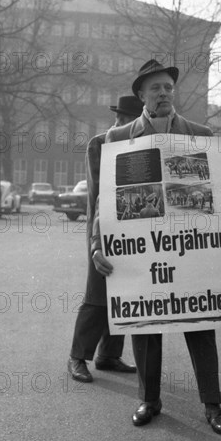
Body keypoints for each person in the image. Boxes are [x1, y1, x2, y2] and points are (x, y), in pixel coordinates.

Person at [94, 59, 221, 436]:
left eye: (168, 87)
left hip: (188, 251)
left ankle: (213, 404)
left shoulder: (199, 134)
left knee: (200, 322)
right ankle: (149, 399)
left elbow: (215, 196)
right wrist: (97, 244)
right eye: (156, 88)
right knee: (145, 323)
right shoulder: (119, 138)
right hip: (140, 252)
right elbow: (104, 201)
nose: (164, 94)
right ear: (141, 94)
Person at [67, 96, 144, 383]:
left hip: (133, 232)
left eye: (125, 119)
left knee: (123, 292)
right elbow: (100, 192)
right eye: (119, 119)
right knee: (98, 294)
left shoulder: (142, 142)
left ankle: (108, 355)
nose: (119, 124)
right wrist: (97, 240)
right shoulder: (100, 144)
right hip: (103, 229)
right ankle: (77, 356)